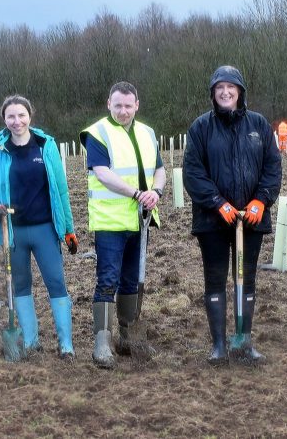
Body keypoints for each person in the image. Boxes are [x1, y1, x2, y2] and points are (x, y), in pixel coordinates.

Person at [183, 65, 281, 365]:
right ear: (213, 93)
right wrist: (218, 203)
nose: (225, 92)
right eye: (219, 88)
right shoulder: (201, 128)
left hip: (251, 220)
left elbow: (272, 167)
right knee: (215, 279)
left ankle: (244, 341)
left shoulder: (259, 125)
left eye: (231, 87)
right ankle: (219, 346)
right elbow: (193, 172)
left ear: (240, 91)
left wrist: (261, 202)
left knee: (246, 280)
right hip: (213, 221)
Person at [0, 95, 78, 360]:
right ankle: (31, 342)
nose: (17, 121)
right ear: (4, 119)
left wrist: (68, 229)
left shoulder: (46, 146)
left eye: (21, 115)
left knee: (56, 283)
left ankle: (66, 344)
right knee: (21, 285)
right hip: (13, 231)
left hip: (45, 229)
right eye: (11, 116)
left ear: (30, 116)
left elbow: (60, 190)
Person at [79, 81, 166, 369]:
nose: (123, 111)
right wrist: (136, 193)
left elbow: (160, 170)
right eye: (118, 105)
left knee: (132, 280)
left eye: (129, 105)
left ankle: (128, 337)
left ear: (137, 105)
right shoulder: (98, 133)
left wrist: (157, 191)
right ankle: (101, 344)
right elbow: (102, 174)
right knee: (107, 280)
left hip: (139, 219)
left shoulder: (147, 133)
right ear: (109, 104)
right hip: (110, 221)